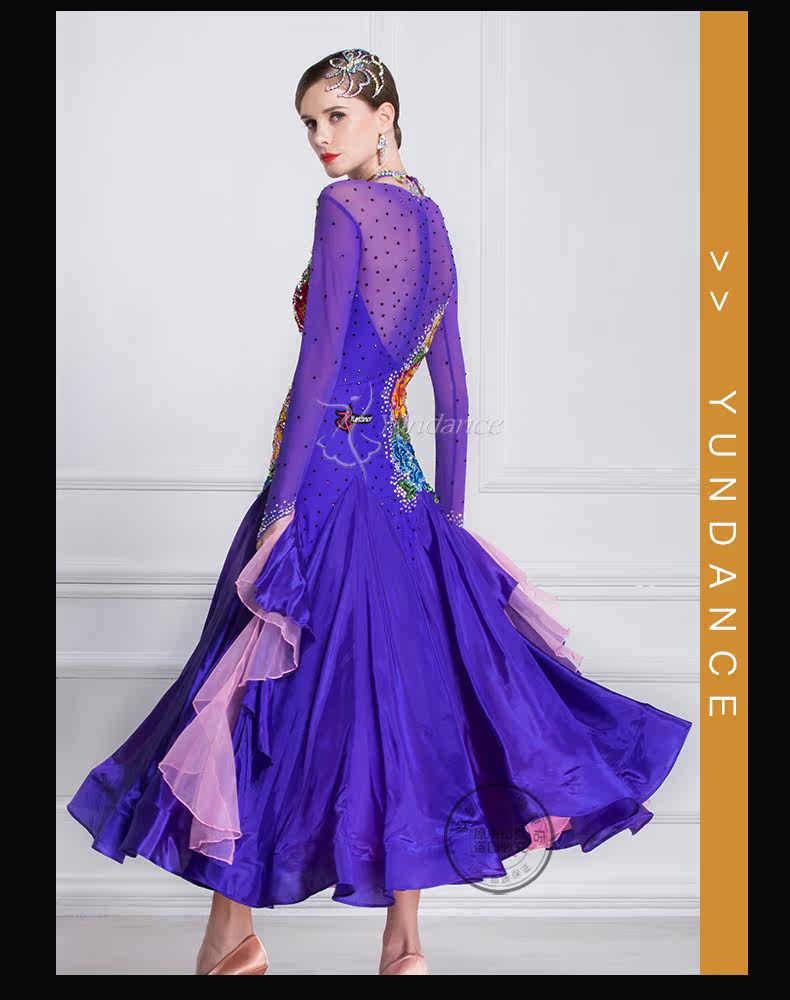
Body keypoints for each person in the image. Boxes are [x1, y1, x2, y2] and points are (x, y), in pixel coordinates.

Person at [67, 48, 693, 976]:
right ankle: (403, 948)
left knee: (263, 706)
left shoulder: (343, 208)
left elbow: (319, 369)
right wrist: (449, 521)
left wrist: (282, 510)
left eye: (336, 117)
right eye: (308, 124)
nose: (321, 140)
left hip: (323, 486)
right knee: (407, 712)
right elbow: (454, 390)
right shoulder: (432, 222)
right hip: (402, 501)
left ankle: (230, 938)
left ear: (385, 115)